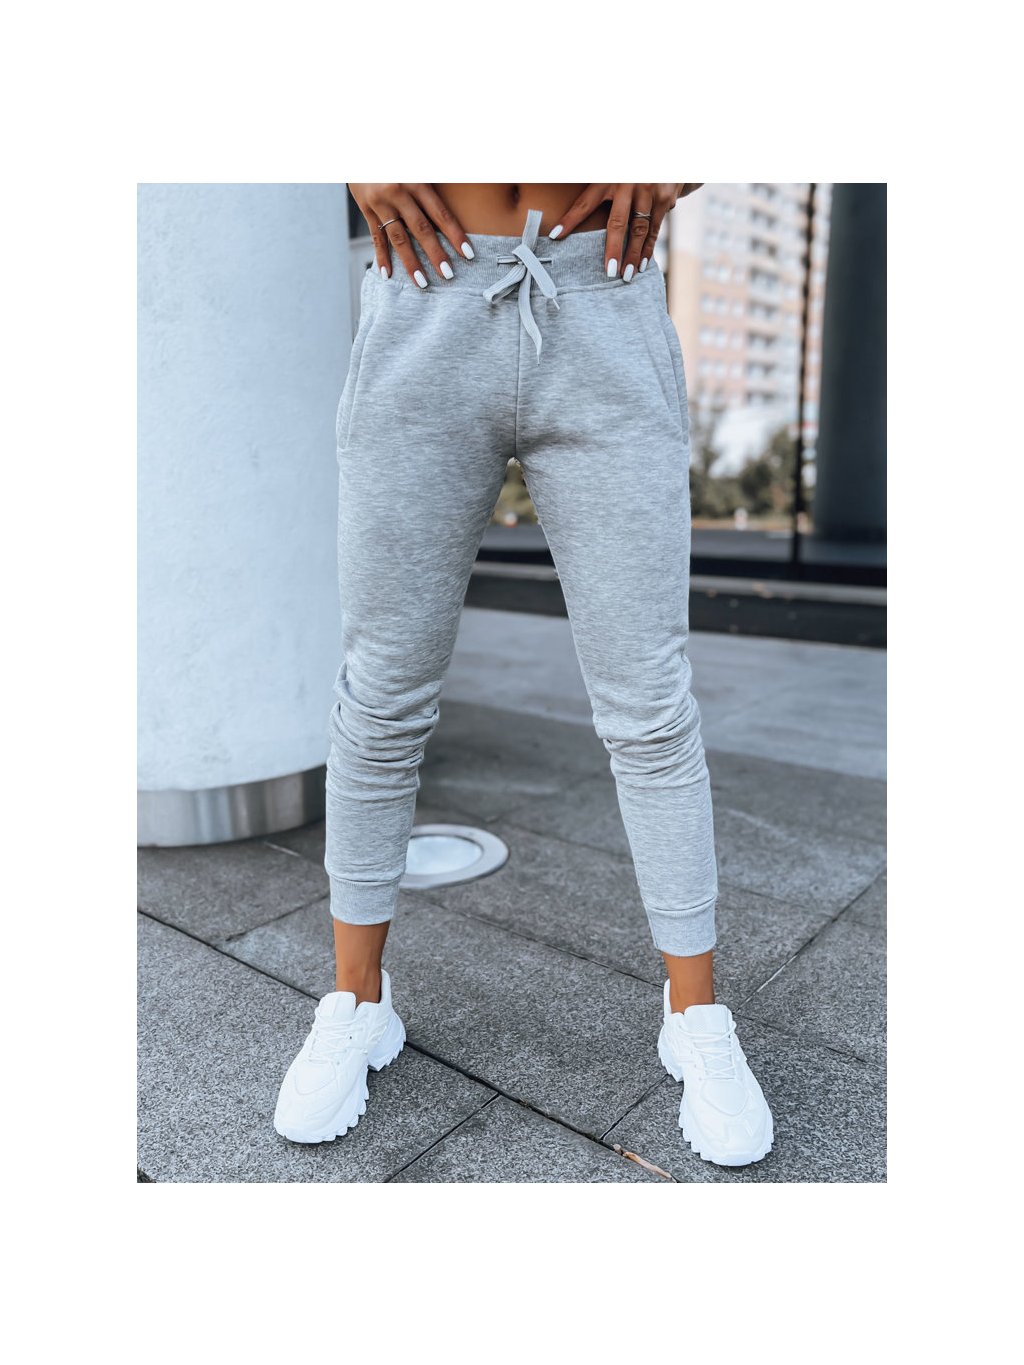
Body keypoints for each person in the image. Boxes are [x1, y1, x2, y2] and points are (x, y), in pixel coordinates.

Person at [273, 184, 773, 1169]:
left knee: (649, 703)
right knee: (381, 693)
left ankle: (696, 1017)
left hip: (604, 299)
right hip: (425, 293)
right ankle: (357, 1002)